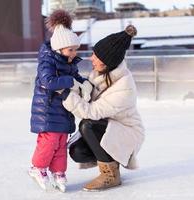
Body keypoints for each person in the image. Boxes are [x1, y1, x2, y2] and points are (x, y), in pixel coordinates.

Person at [62, 25, 145, 191]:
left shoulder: (124, 87)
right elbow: (86, 96)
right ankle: (111, 160)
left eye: (96, 56)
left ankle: (110, 174)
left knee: (87, 124)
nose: (91, 59)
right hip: (109, 128)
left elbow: (91, 112)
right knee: (77, 151)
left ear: (108, 61)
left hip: (127, 132)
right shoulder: (100, 74)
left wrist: (65, 95)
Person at [28, 9, 92, 192]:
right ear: (59, 48)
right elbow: (47, 81)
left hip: (63, 110)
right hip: (47, 110)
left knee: (61, 143)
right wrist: (71, 82)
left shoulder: (67, 62)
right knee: (50, 141)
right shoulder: (47, 61)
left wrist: (84, 82)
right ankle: (37, 168)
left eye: (75, 50)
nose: (73, 53)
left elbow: (75, 76)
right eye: (71, 50)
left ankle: (58, 171)